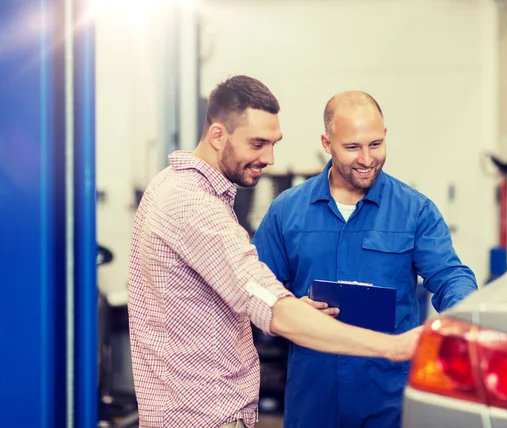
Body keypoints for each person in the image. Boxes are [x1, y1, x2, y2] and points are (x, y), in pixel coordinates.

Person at [127, 76, 423, 428]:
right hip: (204, 417)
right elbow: (272, 309)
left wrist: (289, 307)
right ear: (218, 135)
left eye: (273, 143)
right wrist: (394, 347)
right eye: (257, 143)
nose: (268, 158)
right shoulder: (195, 207)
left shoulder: (169, 184)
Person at [252, 91, 478, 428]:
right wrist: (292, 306)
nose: (367, 158)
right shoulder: (287, 211)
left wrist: (464, 317)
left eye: (375, 144)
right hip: (313, 400)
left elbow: (450, 276)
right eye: (353, 147)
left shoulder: (415, 211)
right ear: (327, 143)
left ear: (385, 135)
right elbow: (256, 287)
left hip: (387, 401)